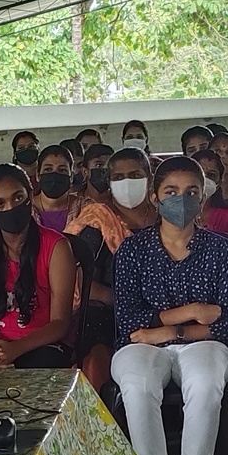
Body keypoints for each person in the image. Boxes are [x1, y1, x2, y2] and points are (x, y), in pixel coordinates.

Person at [113, 156, 228, 455]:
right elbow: (128, 320)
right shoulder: (133, 249)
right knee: (137, 387)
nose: (181, 200)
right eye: (171, 192)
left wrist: (168, 330)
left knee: (204, 385)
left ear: (202, 198)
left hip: (203, 346)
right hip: (142, 346)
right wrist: (192, 312)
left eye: (191, 192)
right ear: (155, 197)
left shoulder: (220, 249)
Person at [0, 165, 77, 368]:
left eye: (17, 198)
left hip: (40, 345)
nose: (10, 208)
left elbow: (60, 323)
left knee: (47, 363)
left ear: (30, 196)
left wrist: (15, 349)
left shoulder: (57, 247)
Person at [67, 148, 160, 388]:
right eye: (119, 177)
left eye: (135, 175)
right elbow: (78, 277)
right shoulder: (97, 220)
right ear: (108, 182)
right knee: (95, 358)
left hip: (163, 310)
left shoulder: (166, 218)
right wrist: (119, 299)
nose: (127, 182)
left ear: (149, 177)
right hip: (108, 314)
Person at [192, 148, 228, 243]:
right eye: (199, 175)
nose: (204, 180)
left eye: (211, 175)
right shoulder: (176, 214)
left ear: (219, 181)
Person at [31, 145, 78, 232]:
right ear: (38, 175)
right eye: (48, 169)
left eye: (62, 170)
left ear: (71, 177)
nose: (54, 175)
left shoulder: (85, 209)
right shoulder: (25, 209)